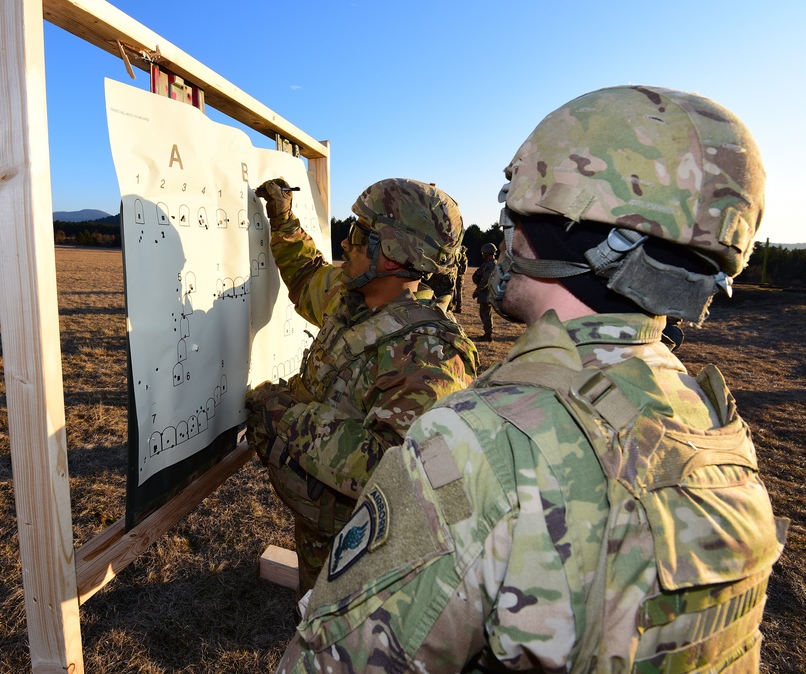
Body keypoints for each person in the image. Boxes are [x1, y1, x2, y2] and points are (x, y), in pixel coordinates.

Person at [278, 86, 787, 672]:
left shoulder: (485, 442)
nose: (506, 237)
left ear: (548, 226)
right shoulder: (710, 417)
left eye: (513, 212)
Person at [246, 177, 480, 596]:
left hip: (371, 566)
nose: (347, 244)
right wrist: (283, 220)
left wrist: (286, 417)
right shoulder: (355, 300)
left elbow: (400, 475)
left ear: (392, 254)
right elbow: (306, 276)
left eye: (359, 234)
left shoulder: (429, 358)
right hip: (321, 537)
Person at [471, 242, 497, 340]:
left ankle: (488, 335)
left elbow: (486, 279)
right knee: (485, 313)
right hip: (486, 291)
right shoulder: (490, 264)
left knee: (485, 313)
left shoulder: (490, 265)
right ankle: (487, 333)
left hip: (487, 292)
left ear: (486, 253)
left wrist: (477, 290)